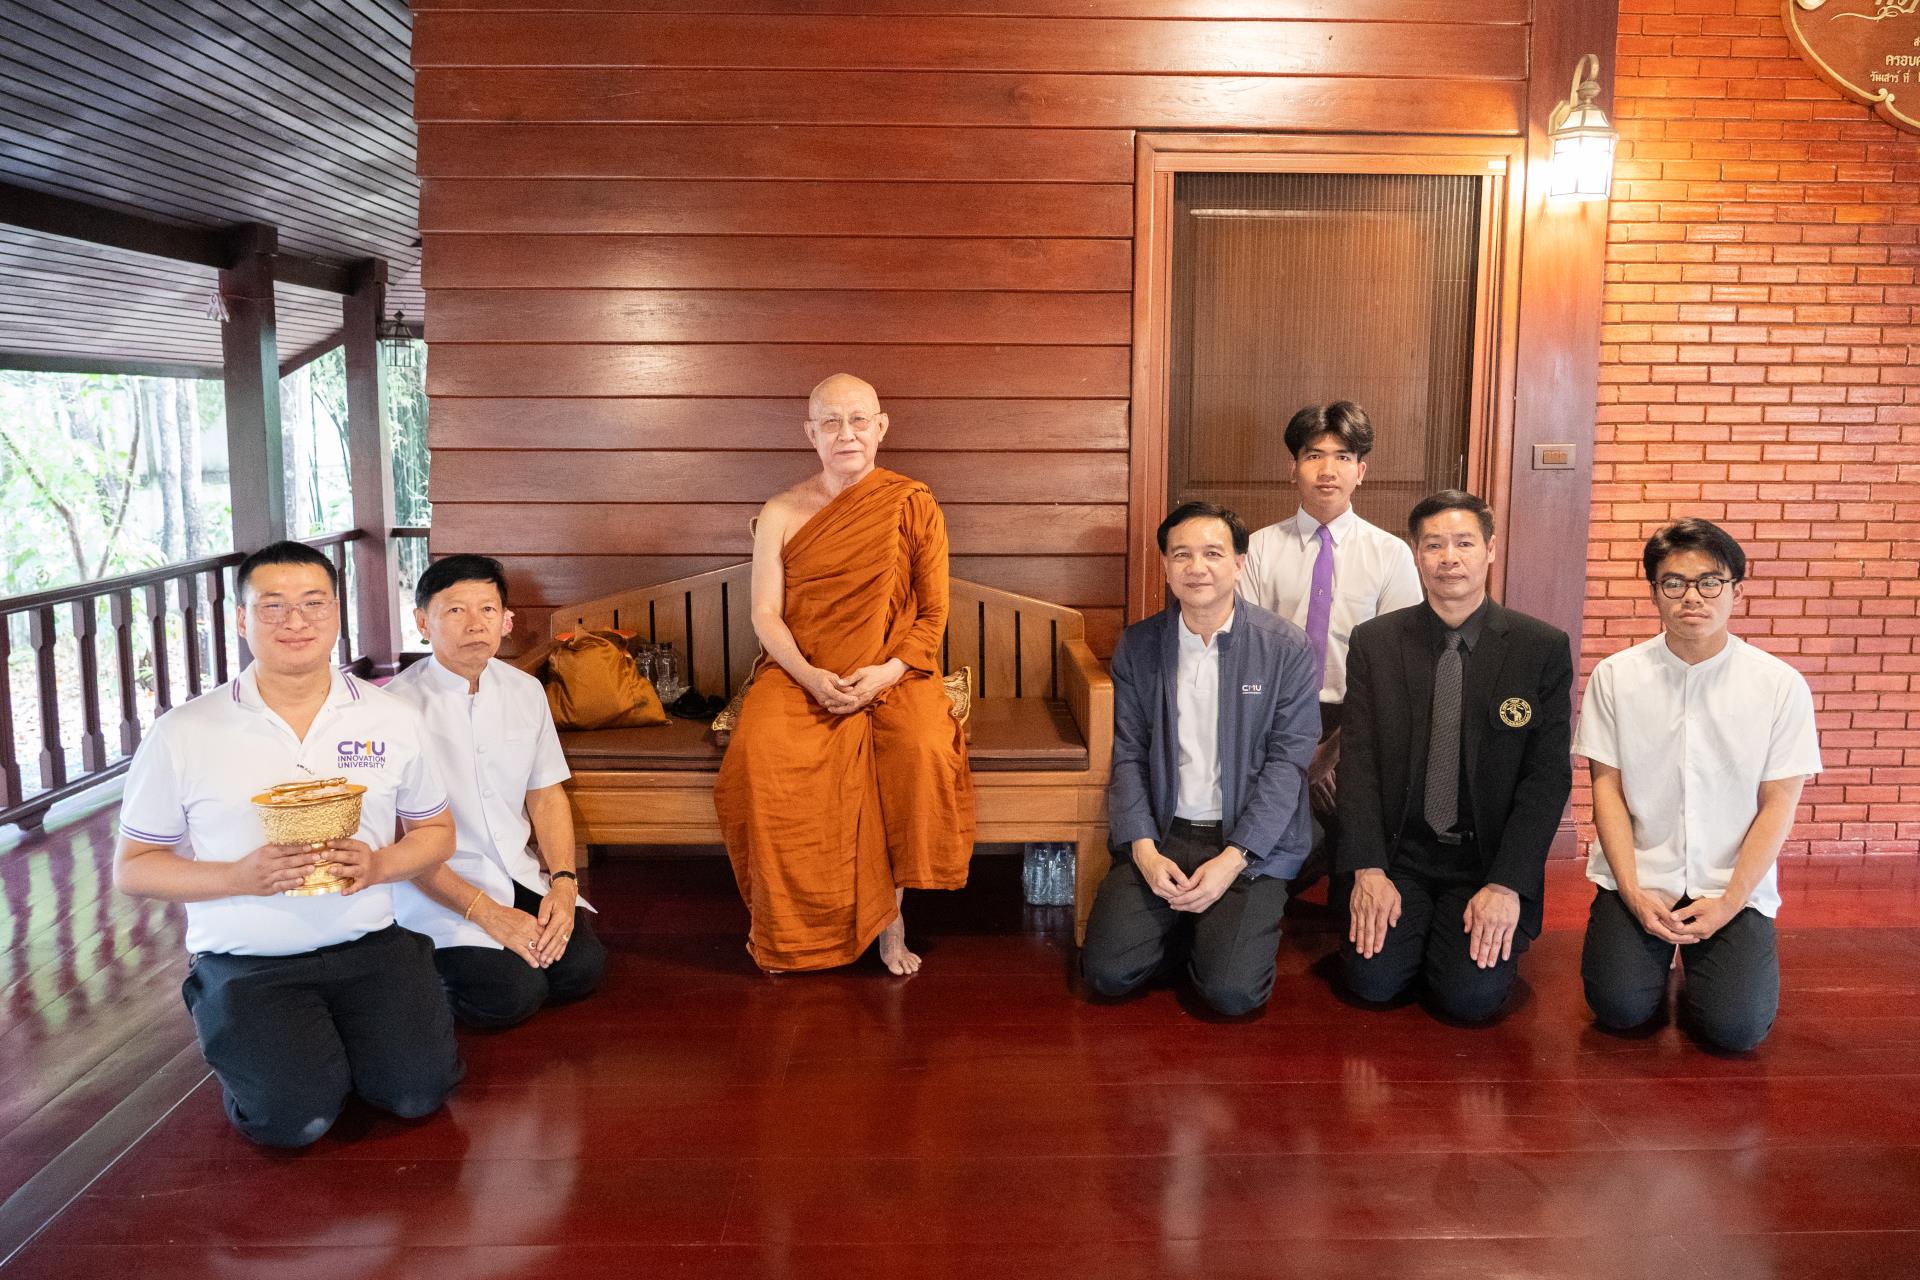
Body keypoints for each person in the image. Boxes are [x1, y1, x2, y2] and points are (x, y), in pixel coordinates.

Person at [113, 541, 462, 1147]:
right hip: (248, 963)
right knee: (295, 1121)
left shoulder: (391, 719)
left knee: (416, 1094)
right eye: (272, 607)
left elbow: (436, 833)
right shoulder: (185, 732)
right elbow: (134, 869)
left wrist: (380, 864)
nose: (294, 621)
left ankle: (328, 1050)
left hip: (370, 945)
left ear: (335, 613)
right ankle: (251, 1034)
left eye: (312, 603)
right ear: (243, 619)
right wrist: (236, 877)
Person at [714, 373, 976, 975]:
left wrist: (885, 674)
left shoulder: (912, 504)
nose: (846, 434)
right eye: (831, 422)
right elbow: (764, 614)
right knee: (762, 757)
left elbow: (934, 611)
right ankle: (783, 925)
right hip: (798, 671)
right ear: (811, 433)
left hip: (893, 671)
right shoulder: (781, 511)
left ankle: (891, 921)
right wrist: (808, 676)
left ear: (881, 427)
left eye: (859, 420)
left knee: (917, 747)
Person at [1574, 519, 1820, 1051]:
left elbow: (1778, 803)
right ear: (1655, 592)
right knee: (1618, 1011)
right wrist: (1635, 894)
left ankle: (1710, 972)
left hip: (1730, 882)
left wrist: (1732, 900)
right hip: (1640, 876)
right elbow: (1607, 792)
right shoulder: (1616, 677)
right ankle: (1648, 959)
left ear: (1736, 590)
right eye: (1675, 583)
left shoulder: (1779, 686)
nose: (1693, 596)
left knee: (1735, 1031)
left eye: (1711, 582)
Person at [1336, 491, 1573, 1022]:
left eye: (1464, 543)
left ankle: (1456, 936)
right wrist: (1368, 868)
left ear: (1490, 550)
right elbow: (1359, 764)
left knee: (1469, 1001)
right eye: (1434, 545)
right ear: (1415, 554)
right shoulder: (1376, 642)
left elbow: (1546, 778)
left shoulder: (1539, 648)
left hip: (1483, 862)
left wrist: (1507, 883)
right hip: (1403, 856)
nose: (1450, 558)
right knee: (1371, 983)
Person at [1081, 501, 1321, 1015]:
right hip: (1166, 834)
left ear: (1239, 563)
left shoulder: (1286, 649)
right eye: (1181, 555)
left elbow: (1287, 767)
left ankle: (1214, 931)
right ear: (1165, 566)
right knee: (1106, 973)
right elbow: (1127, 754)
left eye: (1213, 553)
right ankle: (1193, 926)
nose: (1197, 567)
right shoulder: (1141, 645)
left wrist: (1233, 859)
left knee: (1231, 994)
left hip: (1246, 844)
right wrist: (1143, 849)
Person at [388, 553, 607, 1029]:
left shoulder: (524, 691)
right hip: (435, 887)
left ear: (506, 621)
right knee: (511, 995)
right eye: (455, 610)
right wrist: (486, 914)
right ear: (422, 621)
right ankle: (411, 977)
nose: (474, 624)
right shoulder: (391, 709)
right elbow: (398, 841)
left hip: (516, 872)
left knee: (580, 971)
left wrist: (565, 884)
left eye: (487, 610)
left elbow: (546, 795)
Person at [1238, 402, 1422, 886]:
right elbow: (1249, 657)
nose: (1327, 470)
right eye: (1314, 455)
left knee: (1357, 844)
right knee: (1275, 851)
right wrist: (1297, 751)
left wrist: (1333, 752)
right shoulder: (1257, 549)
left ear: (1361, 471)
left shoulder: (1390, 555)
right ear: (1292, 467)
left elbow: (1395, 670)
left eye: (1342, 457)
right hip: (1275, 714)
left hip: (1358, 717)